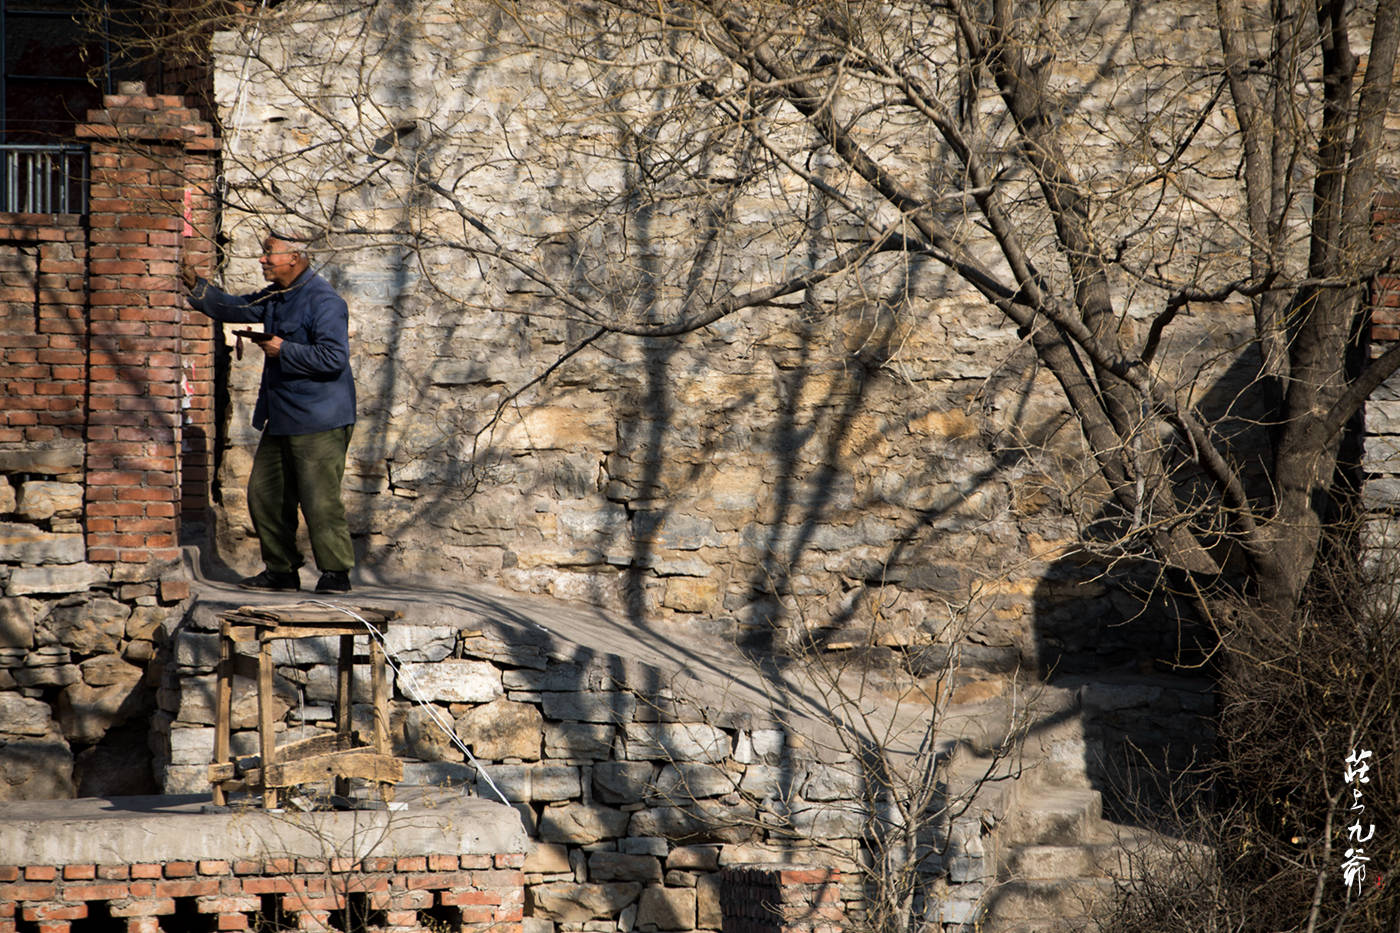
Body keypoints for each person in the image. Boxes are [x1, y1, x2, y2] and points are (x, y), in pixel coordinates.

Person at [181, 231, 357, 594]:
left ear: (295, 257)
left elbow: (334, 358)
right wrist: (196, 285)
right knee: (265, 494)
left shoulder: (325, 302)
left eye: (269, 253)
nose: (262, 259)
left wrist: (285, 350)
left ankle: (336, 574)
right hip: (282, 416)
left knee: (319, 499)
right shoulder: (279, 295)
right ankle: (281, 571)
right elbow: (236, 308)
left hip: (320, 419)